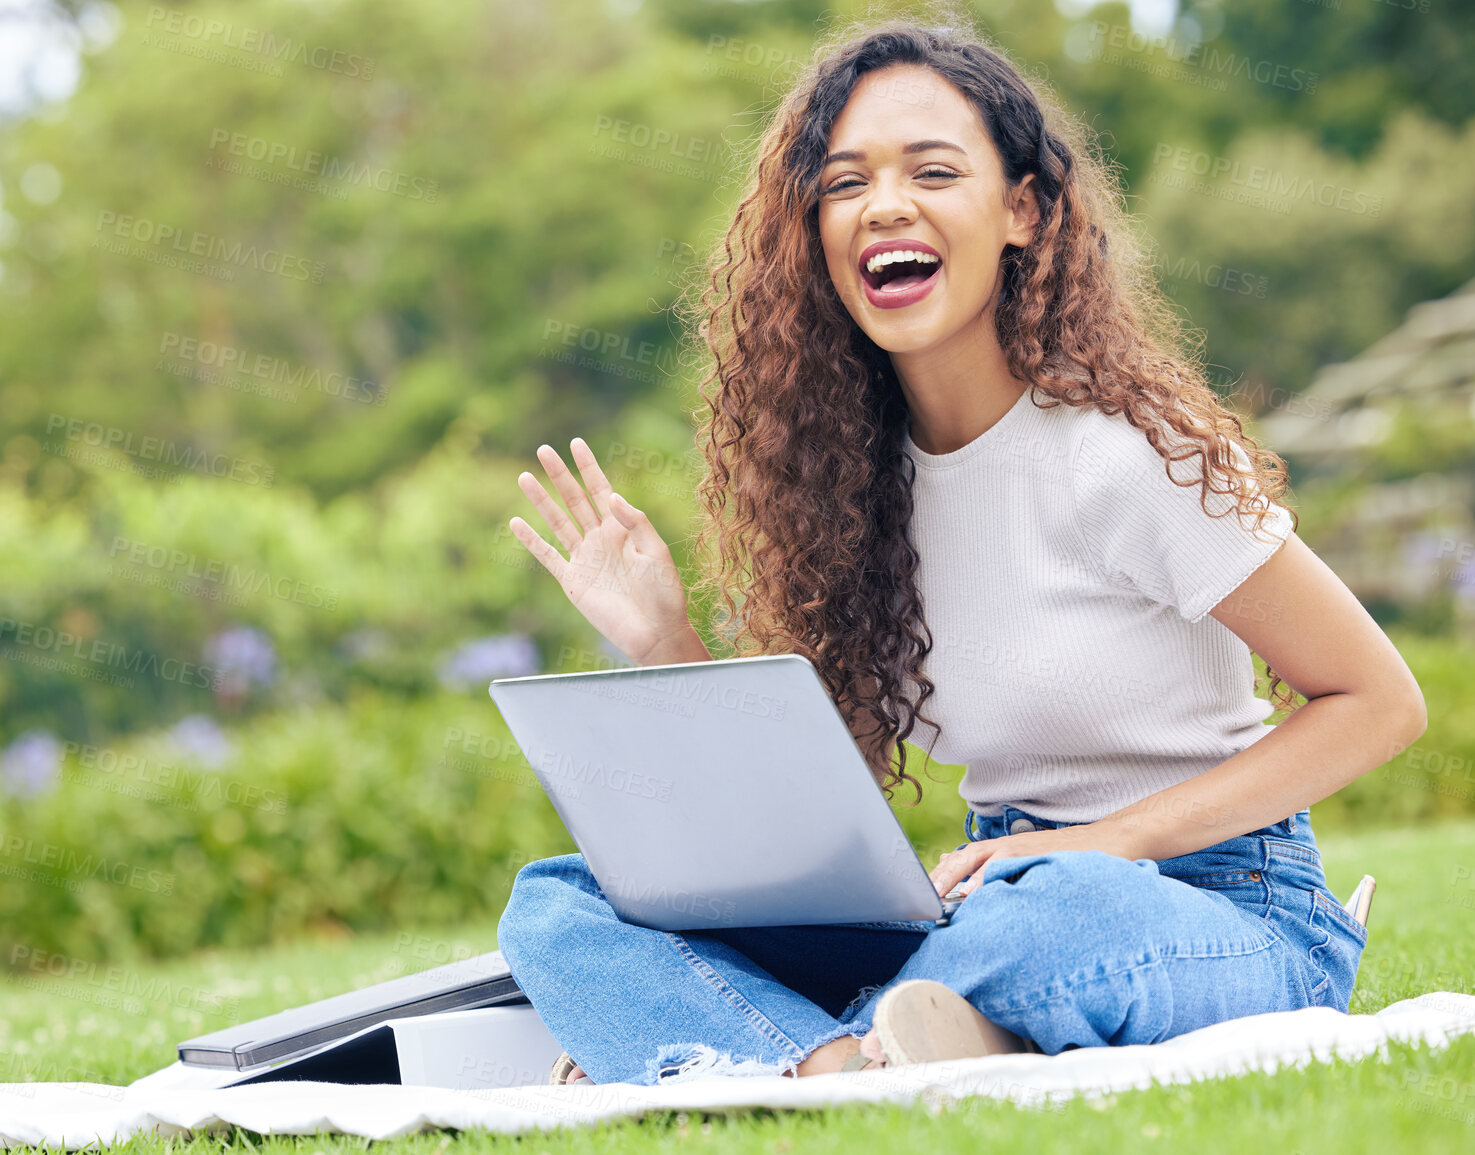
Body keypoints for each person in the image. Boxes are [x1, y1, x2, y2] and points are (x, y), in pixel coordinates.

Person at [495, 13, 1426, 1088]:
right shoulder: (850, 497)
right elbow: (797, 850)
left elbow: (1380, 702)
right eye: (844, 184)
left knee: (1059, 916)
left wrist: (1098, 843)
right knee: (559, 900)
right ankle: (849, 1054)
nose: (884, 205)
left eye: (932, 171)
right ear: (812, 234)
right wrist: (664, 645)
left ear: (1021, 212)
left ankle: (743, 1040)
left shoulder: (1128, 458)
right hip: (983, 896)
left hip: (1211, 906)